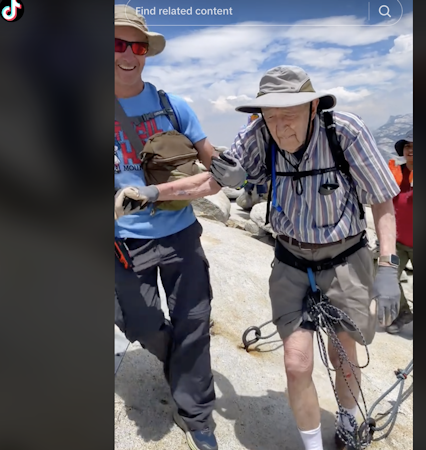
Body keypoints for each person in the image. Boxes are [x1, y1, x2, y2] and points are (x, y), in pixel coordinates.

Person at [212, 65, 402, 450]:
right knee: (296, 364)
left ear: (313, 106)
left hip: (345, 258)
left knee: (342, 352)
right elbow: (219, 173)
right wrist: (155, 194)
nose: (279, 127)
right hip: (291, 261)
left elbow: (382, 199)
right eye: (270, 114)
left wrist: (387, 265)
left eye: (289, 113)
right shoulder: (259, 132)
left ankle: (347, 420)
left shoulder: (345, 130)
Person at [113, 6, 245, 450]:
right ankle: (183, 369)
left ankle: (196, 414)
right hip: (122, 242)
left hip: (181, 233)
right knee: (141, 323)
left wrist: (230, 169)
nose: (127, 54)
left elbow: (213, 163)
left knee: (194, 321)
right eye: (116, 44)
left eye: (136, 46)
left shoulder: (174, 105)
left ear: (146, 53)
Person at [385, 131, 414, 334]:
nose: (410, 150)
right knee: (389, 278)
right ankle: (403, 312)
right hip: (397, 241)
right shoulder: (395, 173)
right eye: (407, 146)